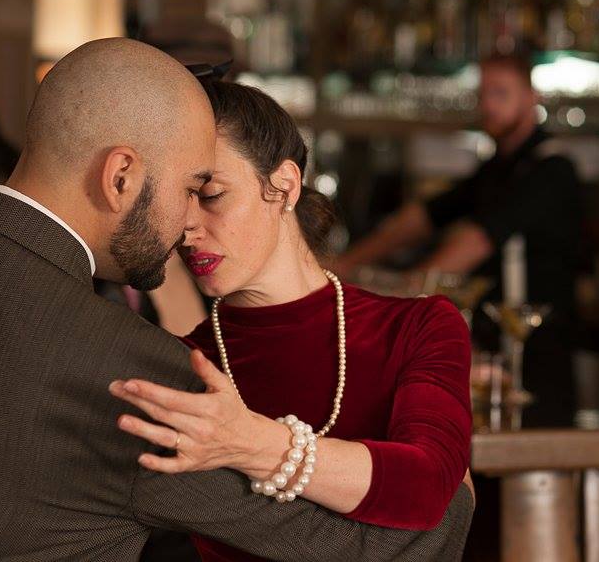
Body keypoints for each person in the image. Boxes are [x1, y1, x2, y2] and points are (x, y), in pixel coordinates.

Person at [0, 43, 471, 560]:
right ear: (122, 176)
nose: (185, 223)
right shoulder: (138, 374)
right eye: (188, 186)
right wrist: (453, 491)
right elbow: (359, 545)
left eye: (210, 192)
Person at [109, 80, 474, 562]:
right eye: (178, 200)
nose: (187, 226)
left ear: (283, 185)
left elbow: (427, 486)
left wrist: (253, 444)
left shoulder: (418, 326)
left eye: (212, 194)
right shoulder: (181, 365)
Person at [334, 52, 583, 428]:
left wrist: (405, 291)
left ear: (532, 97)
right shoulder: (496, 168)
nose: (488, 106)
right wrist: (347, 263)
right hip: (493, 345)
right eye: (482, 95)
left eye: (500, 93)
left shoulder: (552, 169)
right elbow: (423, 217)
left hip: (536, 349)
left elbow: (477, 241)